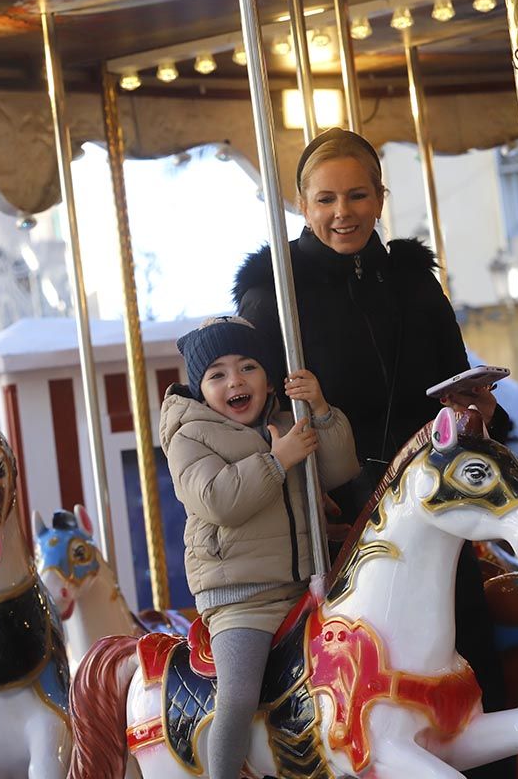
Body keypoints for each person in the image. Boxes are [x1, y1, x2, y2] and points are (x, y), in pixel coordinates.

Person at [233, 127, 514, 778]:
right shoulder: (274, 294)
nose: (342, 213)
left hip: (427, 502)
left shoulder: (415, 285)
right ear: (302, 205)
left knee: (466, 646)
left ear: (380, 197)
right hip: (333, 510)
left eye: (357, 195)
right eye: (325, 199)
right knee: (349, 686)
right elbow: (246, 405)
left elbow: (453, 375)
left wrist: (475, 413)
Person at [160, 316, 359, 779]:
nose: (235, 381)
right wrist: (276, 460)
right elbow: (218, 499)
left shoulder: (286, 422)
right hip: (241, 596)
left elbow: (339, 468)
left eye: (248, 366)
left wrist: (322, 410)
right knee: (239, 695)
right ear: (200, 390)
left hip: (307, 584)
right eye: (217, 374)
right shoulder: (188, 436)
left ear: (268, 376)